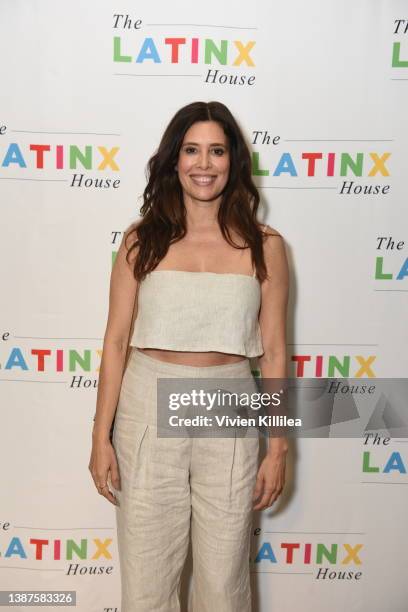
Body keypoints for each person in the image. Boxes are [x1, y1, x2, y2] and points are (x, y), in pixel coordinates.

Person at [89, 100, 289, 612]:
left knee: (224, 587)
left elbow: (274, 351)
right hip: (147, 403)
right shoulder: (141, 240)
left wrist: (280, 446)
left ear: (234, 161)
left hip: (229, 407)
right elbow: (114, 342)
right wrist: (99, 437)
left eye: (217, 151)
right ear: (173, 160)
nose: (204, 164)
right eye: (192, 150)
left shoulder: (265, 246)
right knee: (147, 580)